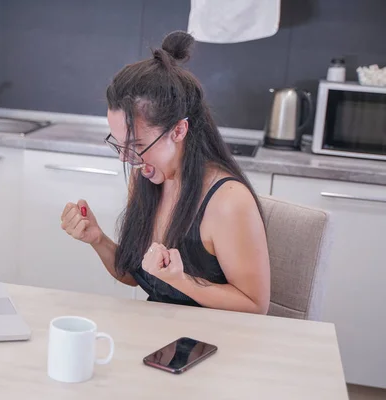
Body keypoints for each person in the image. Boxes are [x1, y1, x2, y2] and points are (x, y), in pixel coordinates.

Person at [60, 31, 270, 314]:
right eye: (119, 144)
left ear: (179, 130)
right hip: (159, 336)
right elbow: (137, 276)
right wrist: (97, 239)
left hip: (215, 343)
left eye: (136, 145)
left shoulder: (228, 202)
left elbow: (255, 305)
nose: (127, 158)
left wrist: (183, 281)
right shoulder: (146, 177)